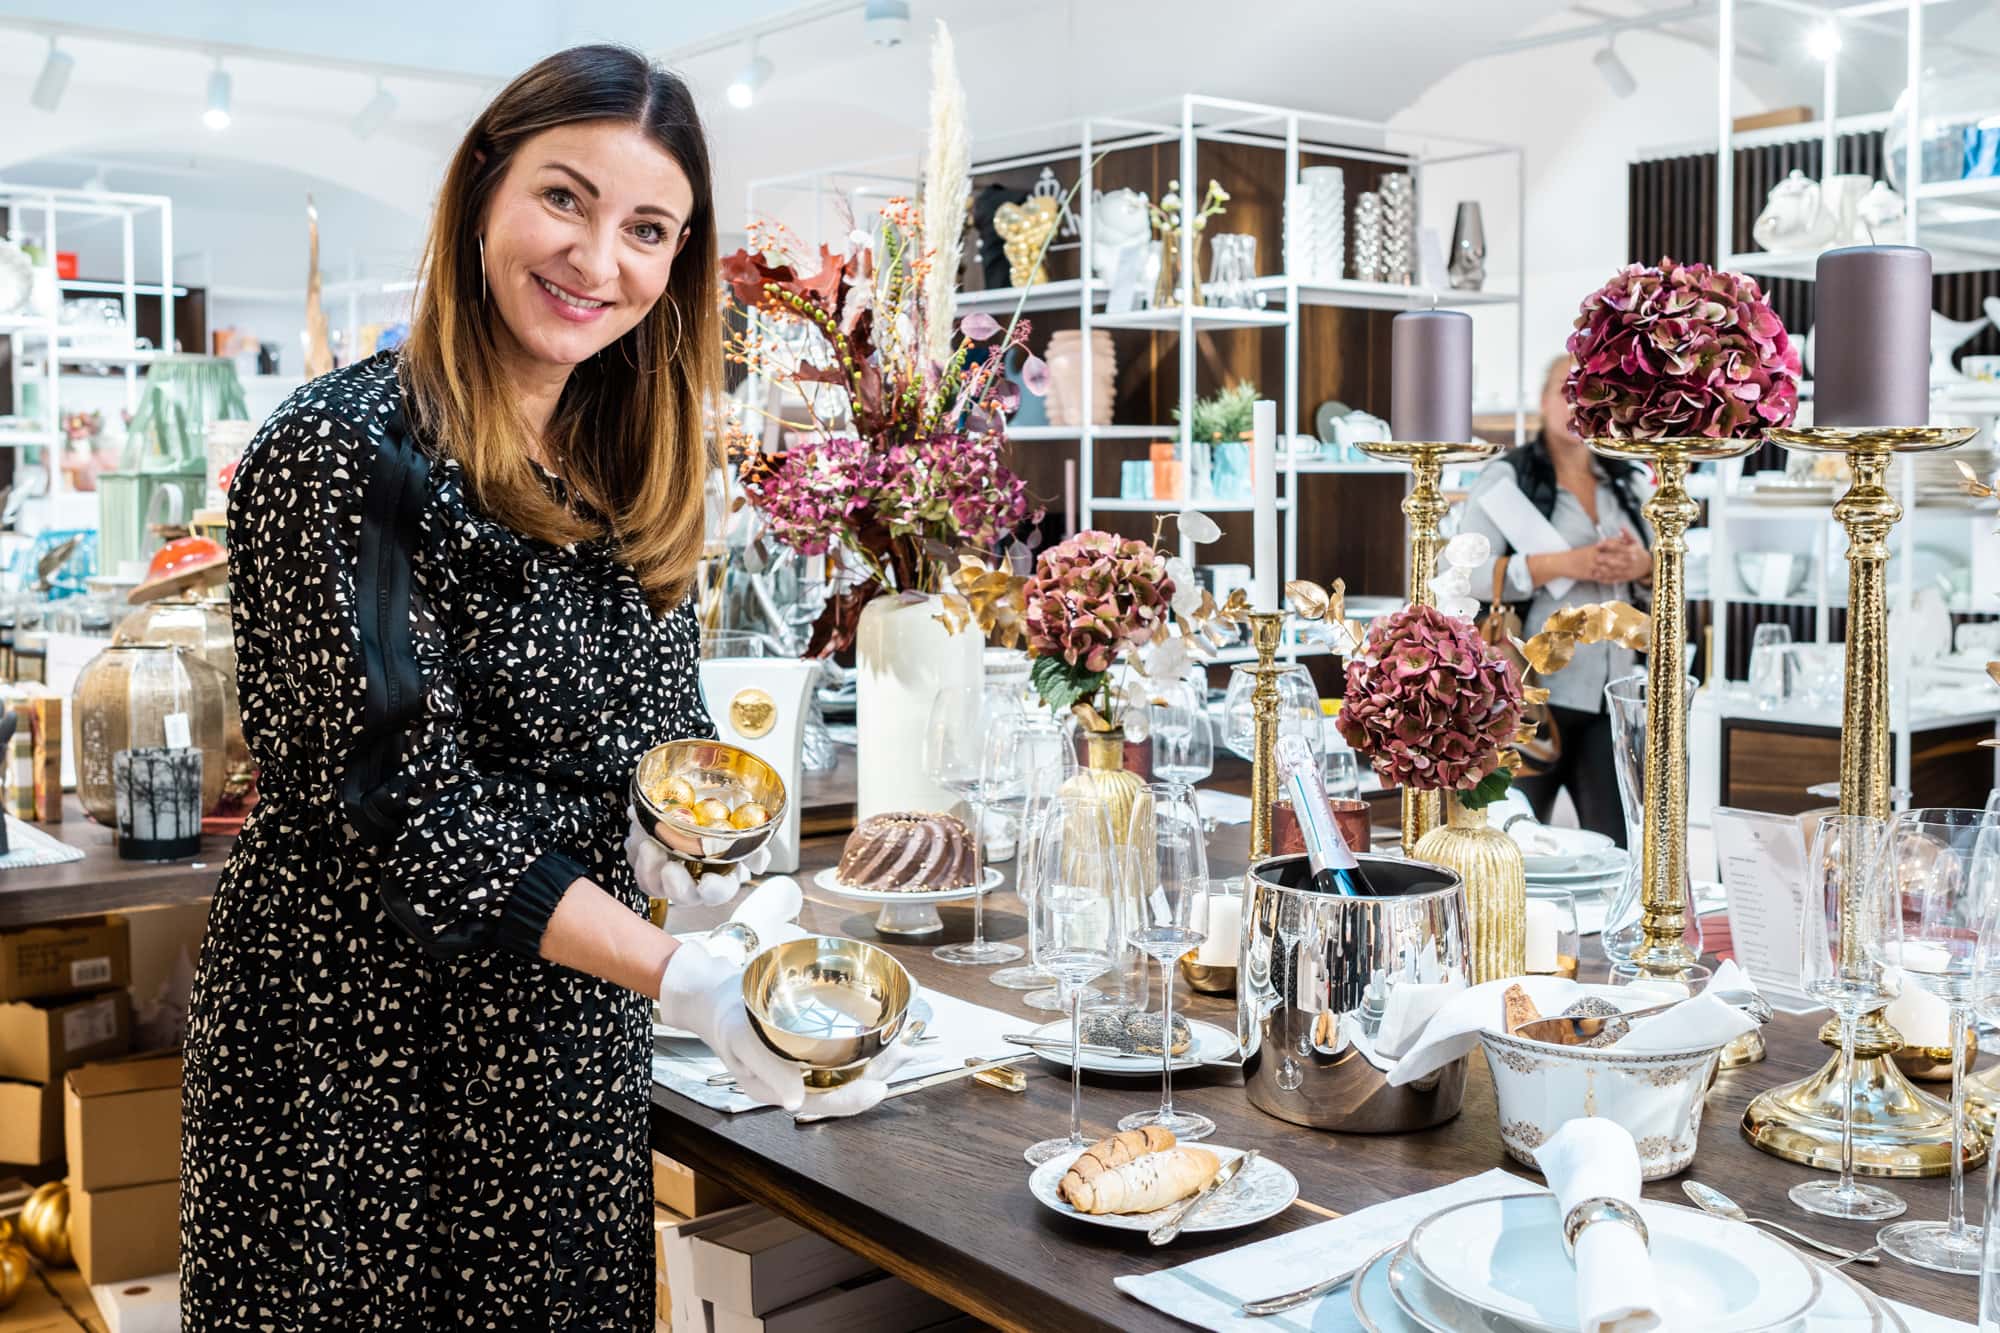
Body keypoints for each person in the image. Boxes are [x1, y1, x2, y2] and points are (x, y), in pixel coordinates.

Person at [180, 47, 901, 1331]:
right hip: (362, 1058)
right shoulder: (339, 453)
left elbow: (661, 742)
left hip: (559, 1042)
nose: (597, 260)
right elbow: (400, 809)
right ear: (480, 194)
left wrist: (694, 857)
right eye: (563, 199)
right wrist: (679, 975)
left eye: (646, 229)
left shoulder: (618, 471)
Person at [1457, 356, 1654, 844]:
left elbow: (1663, 568)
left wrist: (1641, 566)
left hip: (1614, 694)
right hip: (1531, 695)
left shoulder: (1626, 482)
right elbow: (1467, 575)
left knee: (1619, 844)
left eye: (1587, 393)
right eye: (1565, 391)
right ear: (1542, 401)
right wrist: (1567, 563)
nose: (1575, 404)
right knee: (1516, 844)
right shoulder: (1507, 479)